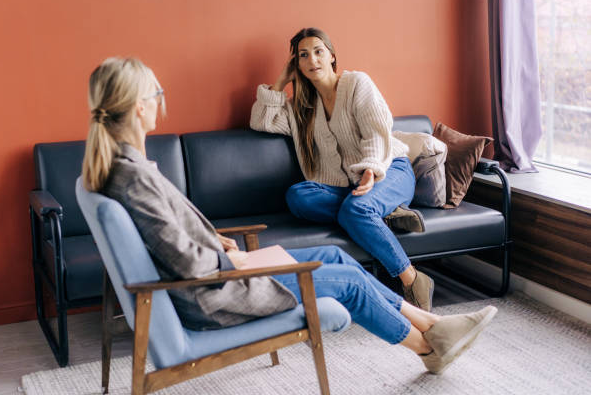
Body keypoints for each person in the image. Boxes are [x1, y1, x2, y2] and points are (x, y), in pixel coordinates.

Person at [81, 56, 496, 375]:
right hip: (218, 292)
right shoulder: (131, 176)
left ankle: (432, 324)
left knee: (337, 259)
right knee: (349, 282)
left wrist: (216, 242)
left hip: (215, 277)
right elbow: (185, 261)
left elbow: (171, 237)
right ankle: (429, 350)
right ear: (138, 107)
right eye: (157, 95)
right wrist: (233, 259)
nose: (160, 103)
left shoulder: (125, 166)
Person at [250, 28, 434, 312]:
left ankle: (412, 278)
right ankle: (384, 214)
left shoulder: (357, 84)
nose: (313, 59)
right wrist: (282, 80)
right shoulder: (301, 108)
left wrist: (371, 170)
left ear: (332, 56)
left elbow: (376, 131)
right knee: (299, 196)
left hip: (389, 170)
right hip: (348, 188)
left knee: (355, 209)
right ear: (296, 63)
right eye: (303, 55)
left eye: (319, 51)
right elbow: (262, 121)